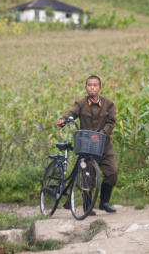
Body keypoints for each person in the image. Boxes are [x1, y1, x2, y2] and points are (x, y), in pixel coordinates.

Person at [57, 75, 118, 214]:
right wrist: (63, 119)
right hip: (87, 146)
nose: (92, 87)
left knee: (112, 172)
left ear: (100, 88)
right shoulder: (80, 103)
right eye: (89, 85)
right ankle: (87, 206)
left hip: (104, 146)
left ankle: (104, 202)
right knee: (87, 177)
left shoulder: (108, 104)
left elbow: (111, 122)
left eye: (95, 85)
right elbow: (71, 114)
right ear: (85, 88)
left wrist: (102, 133)